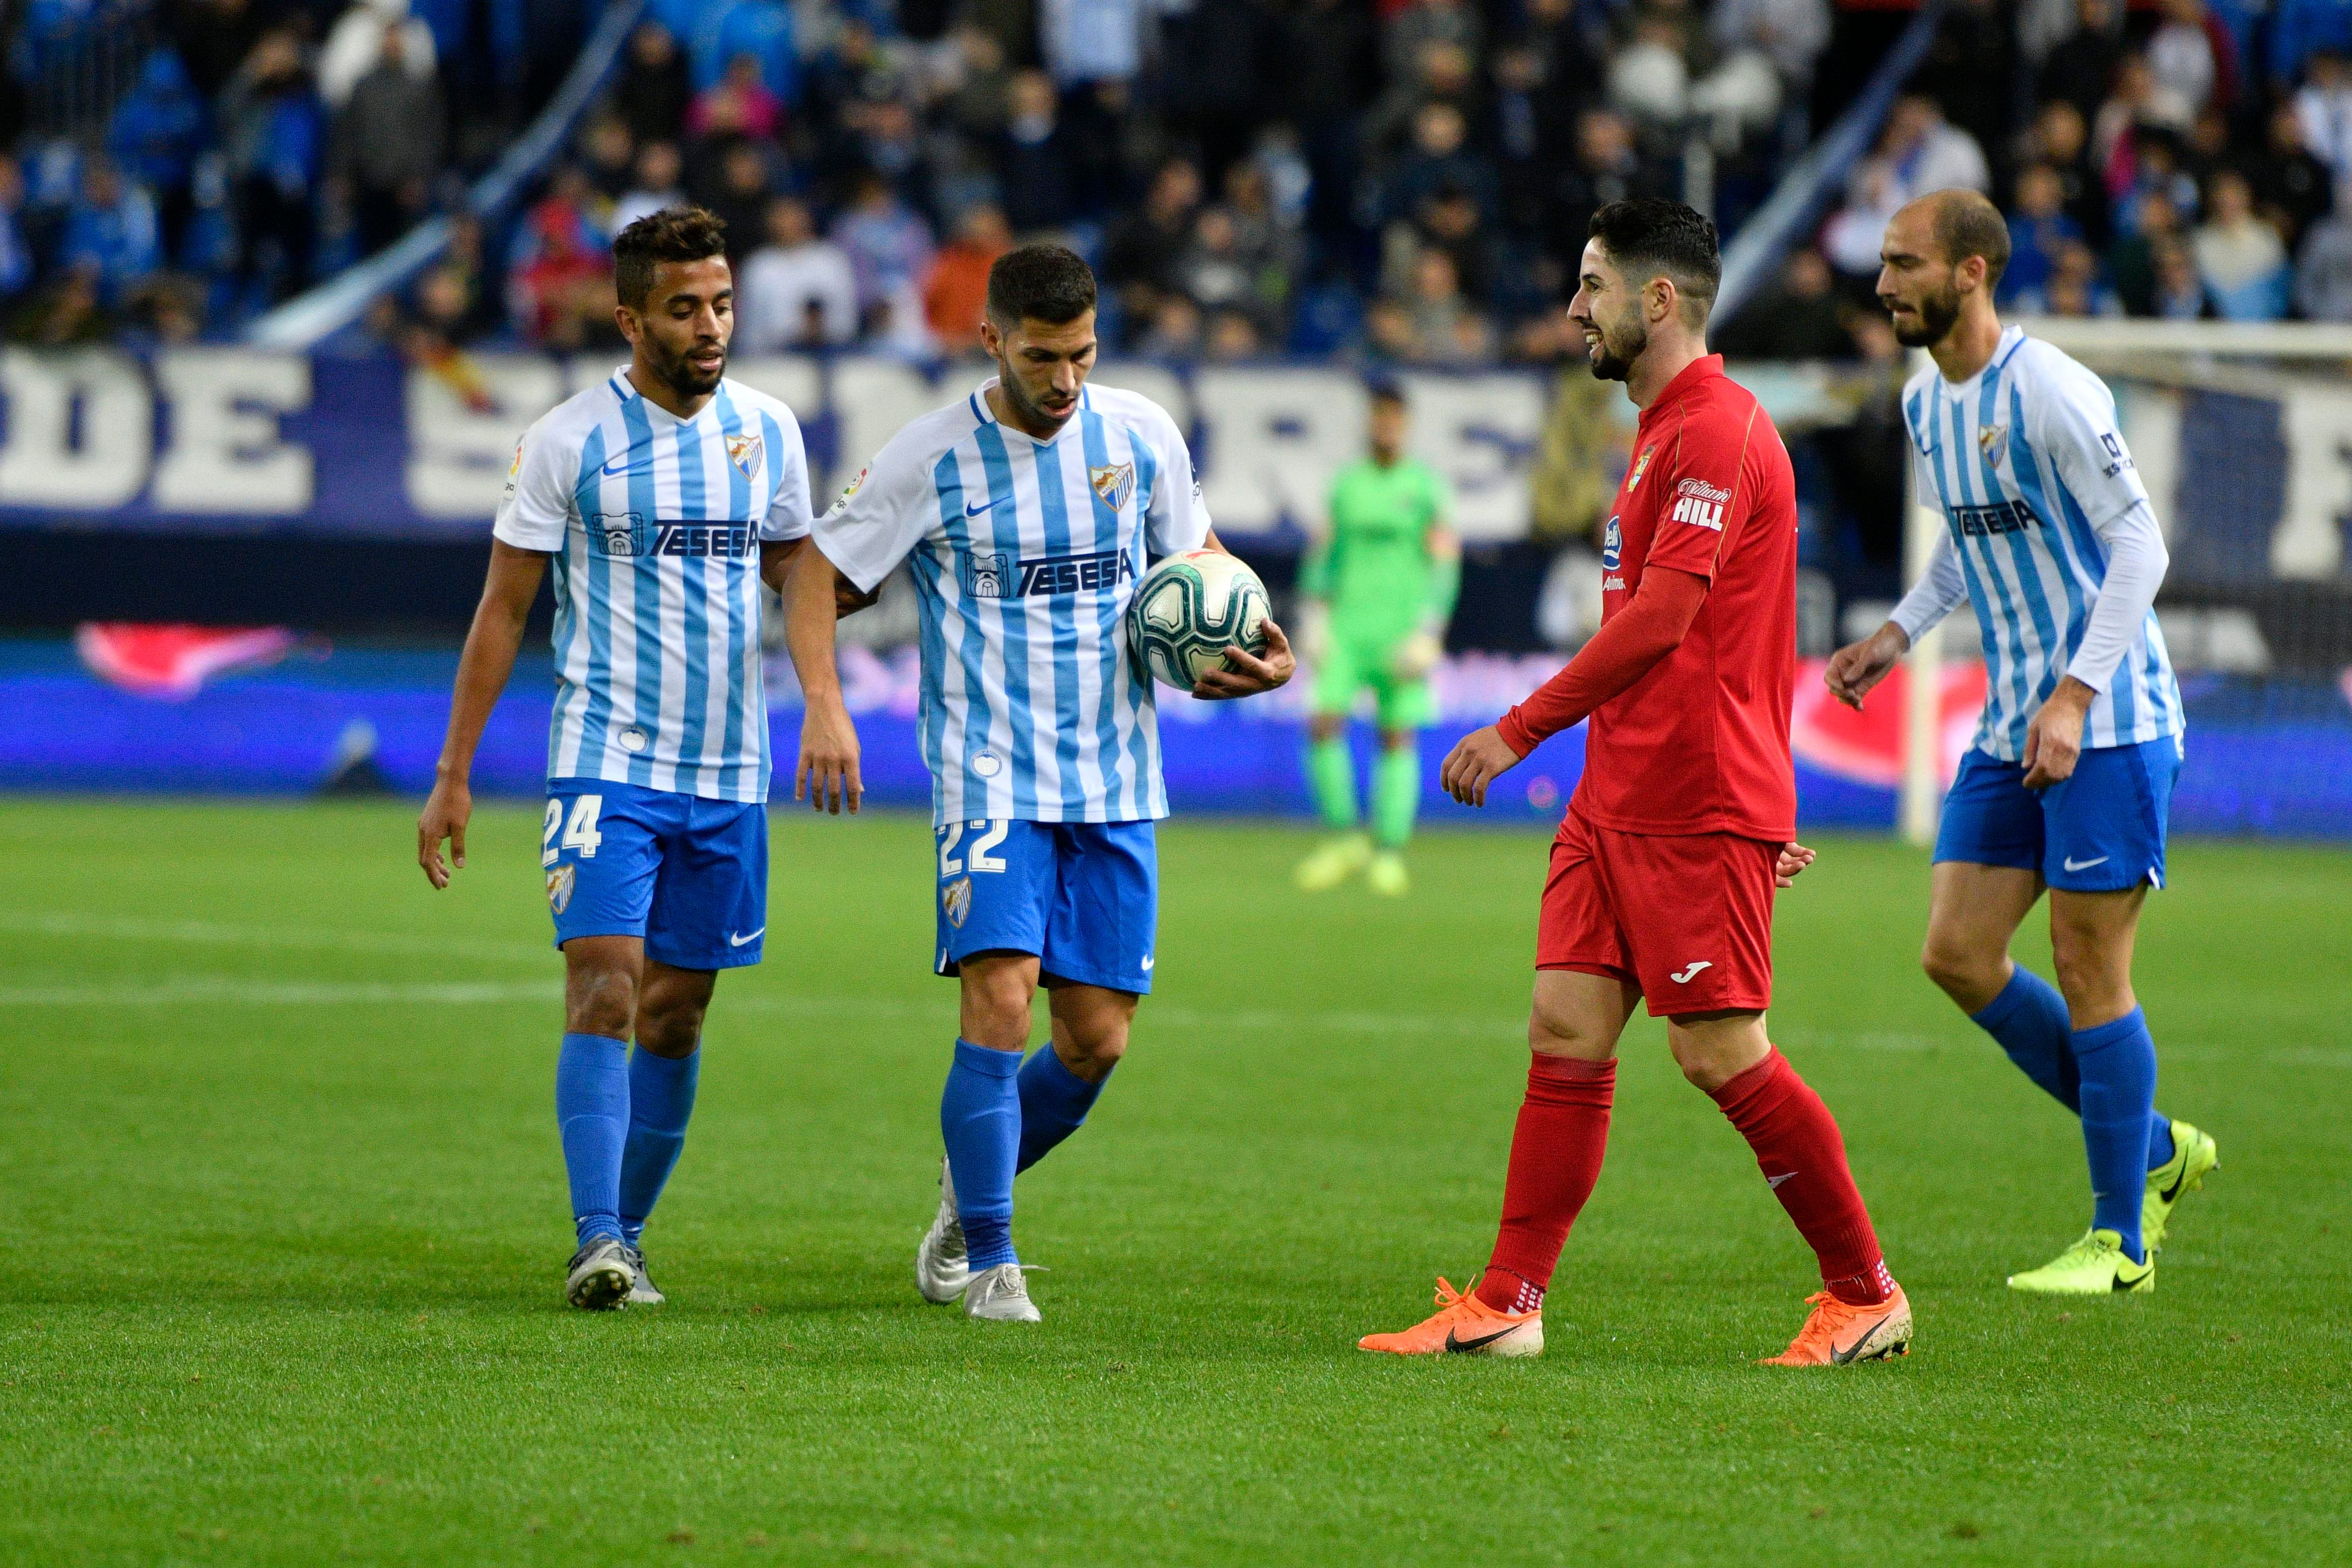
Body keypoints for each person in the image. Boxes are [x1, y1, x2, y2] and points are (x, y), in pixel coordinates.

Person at [1359, 198, 1912, 1367]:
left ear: (1657, 300)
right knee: (1564, 1027)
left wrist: (1520, 730)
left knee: (1718, 1051)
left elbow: (1666, 620)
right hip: (1621, 795)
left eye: (1592, 284)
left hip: (1692, 796)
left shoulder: (1717, 429)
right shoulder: (1661, 430)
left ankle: (1865, 1293)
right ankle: (1508, 1302)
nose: (1574, 308)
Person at [782, 245, 1296, 1324]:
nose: (1065, 380)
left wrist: (1254, 646)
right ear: (992, 341)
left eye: (1082, 355)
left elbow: (1199, 564)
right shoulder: (930, 456)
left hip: (1115, 775)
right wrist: (825, 706)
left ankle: (967, 1192)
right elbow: (817, 573)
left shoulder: (1140, 434)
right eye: (1041, 358)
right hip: (988, 774)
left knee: (1095, 1040)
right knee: (1002, 996)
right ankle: (993, 1261)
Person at [415, 208, 825, 1312]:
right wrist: (454, 773)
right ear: (631, 319)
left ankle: (626, 1239)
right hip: (606, 758)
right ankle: (595, 1237)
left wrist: (827, 697)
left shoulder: (769, 432)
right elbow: (504, 611)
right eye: (684, 309)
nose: (710, 326)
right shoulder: (567, 441)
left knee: (677, 1013)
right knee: (605, 982)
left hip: (728, 770)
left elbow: (799, 575)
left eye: (722, 304)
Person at [1826, 189, 2217, 1296]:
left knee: (2089, 966)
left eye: (1904, 264)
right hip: (2012, 724)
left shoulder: (2047, 388)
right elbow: (1966, 540)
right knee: (1955, 952)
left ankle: (2119, 1243)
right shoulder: (1924, 402)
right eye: (1882, 263)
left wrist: (2076, 697)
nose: (1883, 284)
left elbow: (2139, 548)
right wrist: (1897, 635)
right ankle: (2155, 1147)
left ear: (1972, 272)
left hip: (2107, 719)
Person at [1292, 381, 1459, 896]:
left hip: (1400, 630)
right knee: (1322, 723)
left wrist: (1431, 629)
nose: (1385, 426)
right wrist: (1312, 614)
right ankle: (1344, 838)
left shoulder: (1425, 487)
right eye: (1378, 417)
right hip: (1346, 626)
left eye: (1393, 418)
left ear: (1404, 424)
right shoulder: (1347, 485)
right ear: (1369, 422)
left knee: (1397, 733)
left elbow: (1444, 561)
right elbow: (1323, 552)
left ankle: (1388, 850)